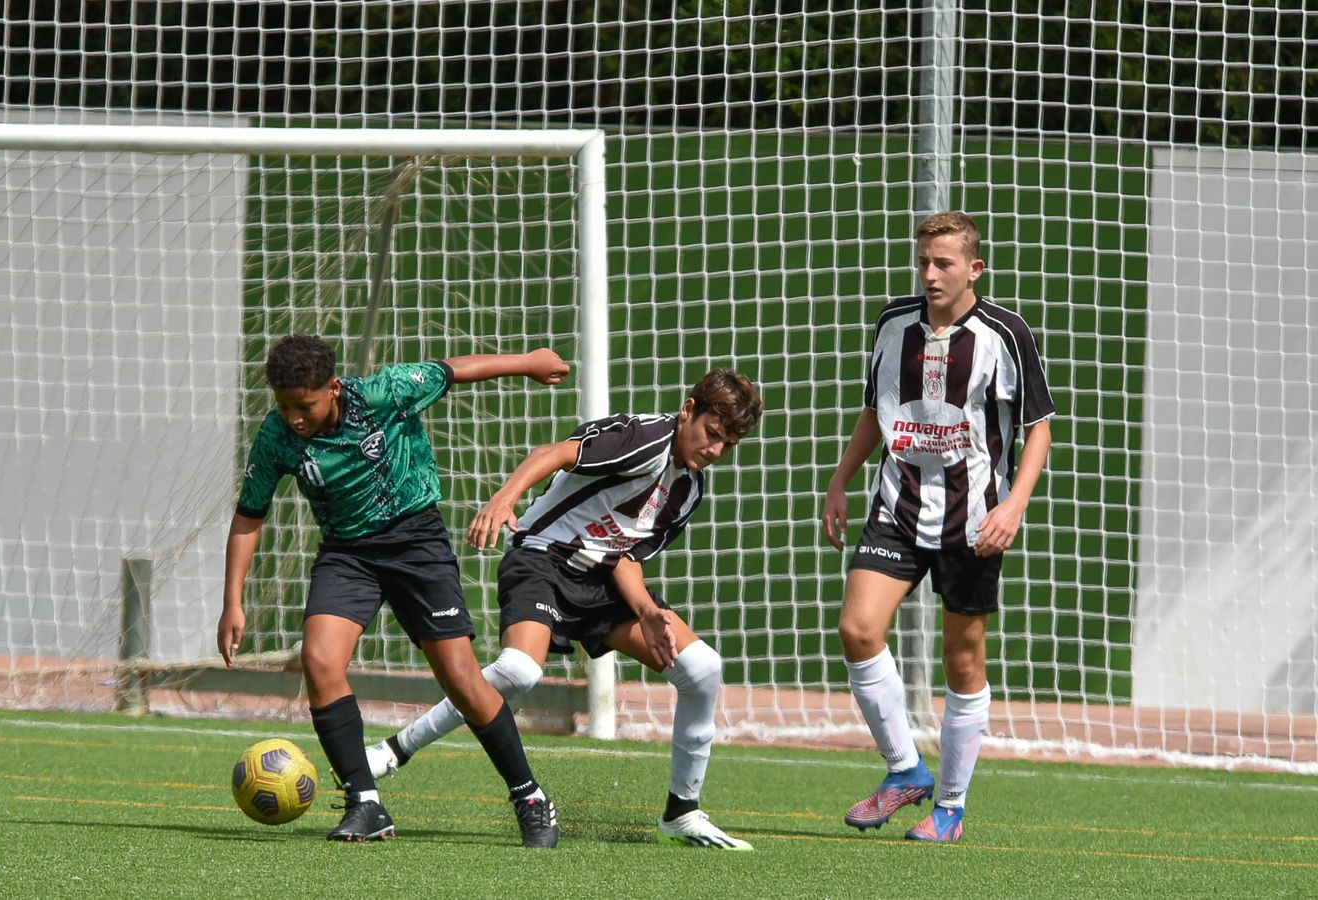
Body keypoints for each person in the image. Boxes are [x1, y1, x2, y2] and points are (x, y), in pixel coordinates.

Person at [363, 369, 763, 851]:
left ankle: (682, 812)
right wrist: (504, 500)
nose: (715, 449)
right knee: (518, 670)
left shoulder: (689, 489)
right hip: (543, 560)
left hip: (602, 580)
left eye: (728, 444)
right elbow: (553, 454)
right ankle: (394, 750)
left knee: (702, 669)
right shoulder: (642, 438)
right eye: (712, 433)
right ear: (688, 410)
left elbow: (625, 556)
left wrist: (645, 611)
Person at [217, 335, 570, 848]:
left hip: (416, 542)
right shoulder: (276, 436)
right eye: (284, 405)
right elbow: (250, 515)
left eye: (305, 406)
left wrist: (528, 363)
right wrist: (232, 601)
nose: (294, 417)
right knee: (319, 661)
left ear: (333, 389)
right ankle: (365, 802)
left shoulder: (385, 392)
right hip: (347, 554)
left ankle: (530, 797)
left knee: (461, 679)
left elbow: (454, 369)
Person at [821, 211, 1054, 843]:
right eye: (923, 261)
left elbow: (1039, 431)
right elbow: (876, 411)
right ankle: (905, 769)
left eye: (943, 263)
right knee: (857, 629)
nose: (930, 273)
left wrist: (1013, 507)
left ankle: (949, 807)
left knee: (962, 659)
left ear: (974, 268)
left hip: (974, 520)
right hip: (896, 505)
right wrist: (841, 480)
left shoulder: (1006, 333)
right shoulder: (893, 323)